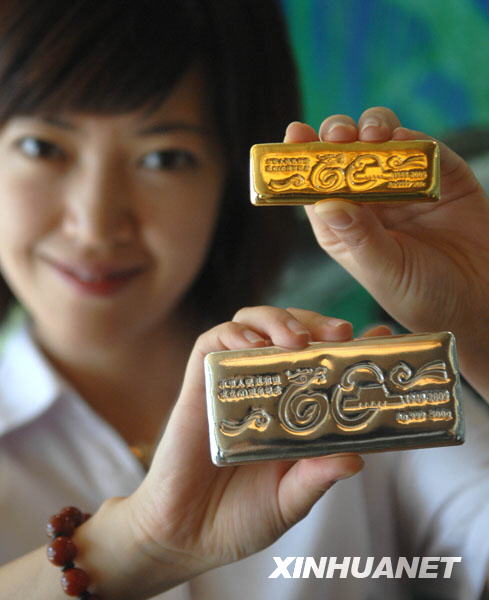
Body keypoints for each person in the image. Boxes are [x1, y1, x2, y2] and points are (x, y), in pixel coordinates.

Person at [0, 2, 488, 600]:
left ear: (231, 186)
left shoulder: (377, 394)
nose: (96, 224)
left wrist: (482, 327)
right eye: (42, 147)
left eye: (165, 158)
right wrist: (142, 545)